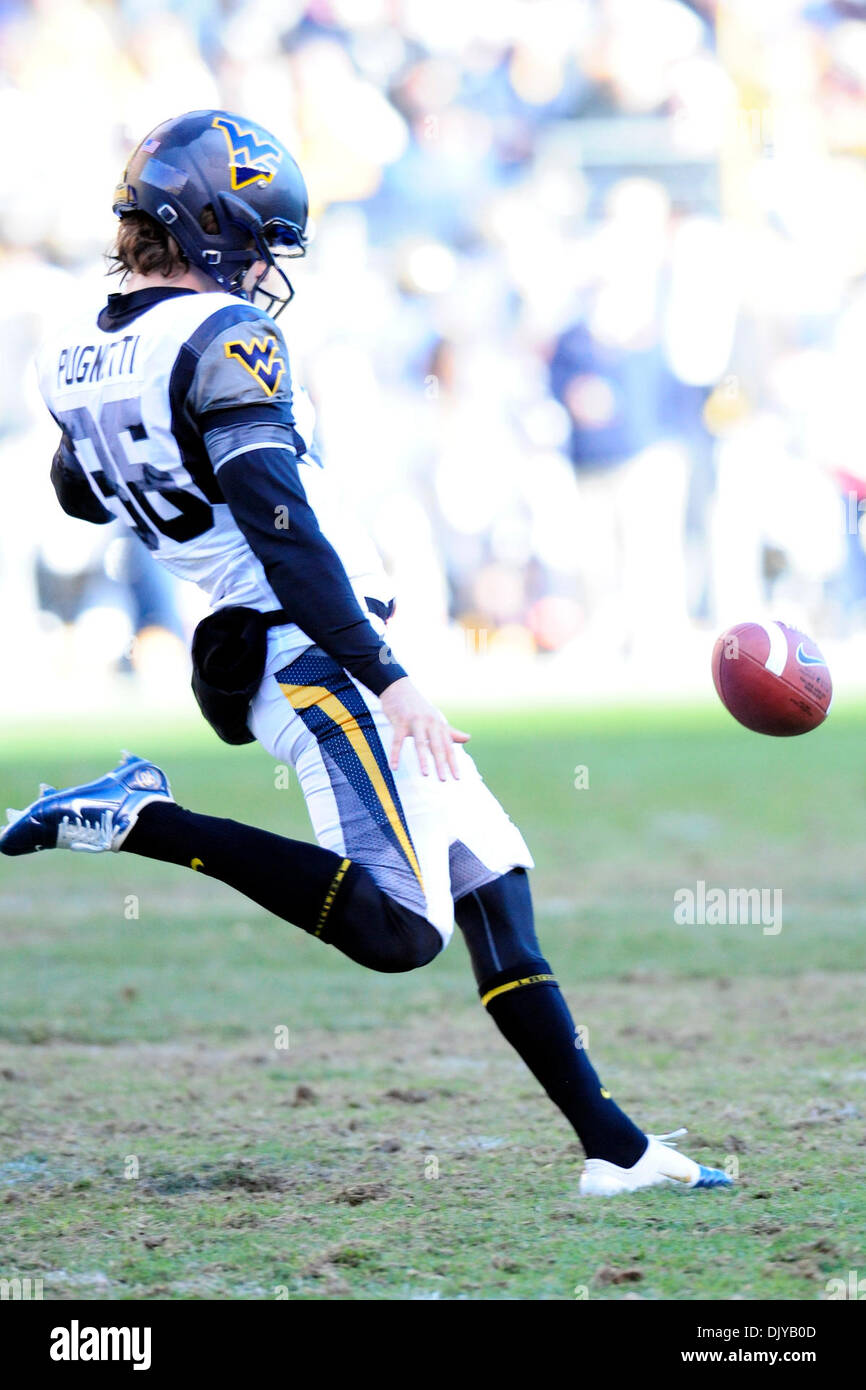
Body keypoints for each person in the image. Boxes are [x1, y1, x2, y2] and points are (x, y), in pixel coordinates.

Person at [1, 110, 730, 1195]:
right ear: (200, 224)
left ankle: (613, 1150)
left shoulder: (79, 354)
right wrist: (389, 678)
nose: (259, 267)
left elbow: (76, 489)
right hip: (312, 650)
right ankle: (139, 817)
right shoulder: (218, 340)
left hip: (283, 634)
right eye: (251, 238)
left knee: (492, 883)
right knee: (399, 929)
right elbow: (284, 531)